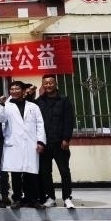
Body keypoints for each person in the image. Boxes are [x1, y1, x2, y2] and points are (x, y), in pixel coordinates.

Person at [0, 81, 46, 210]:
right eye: (12, 89)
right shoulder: (6, 106)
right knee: (16, 174)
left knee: (31, 173)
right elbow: (1, 119)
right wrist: (2, 105)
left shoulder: (33, 106)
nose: (14, 91)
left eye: (17, 89)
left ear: (23, 91)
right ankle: (17, 199)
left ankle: (33, 199)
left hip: (31, 143)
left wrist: (41, 141)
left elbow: (40, 124)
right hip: (14, 143)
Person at [35, 75, 76, 209]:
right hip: (44, 144)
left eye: (50, 83)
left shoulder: (64, 100)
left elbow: (69, 120)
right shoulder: (38, 101)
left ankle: (67, 198)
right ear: (43, 85)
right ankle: (51, 198)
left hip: (60, 143)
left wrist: (66, 139)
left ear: (55, 84)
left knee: (64, 171)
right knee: (45, 172)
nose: (48, 85)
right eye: (45, 83)